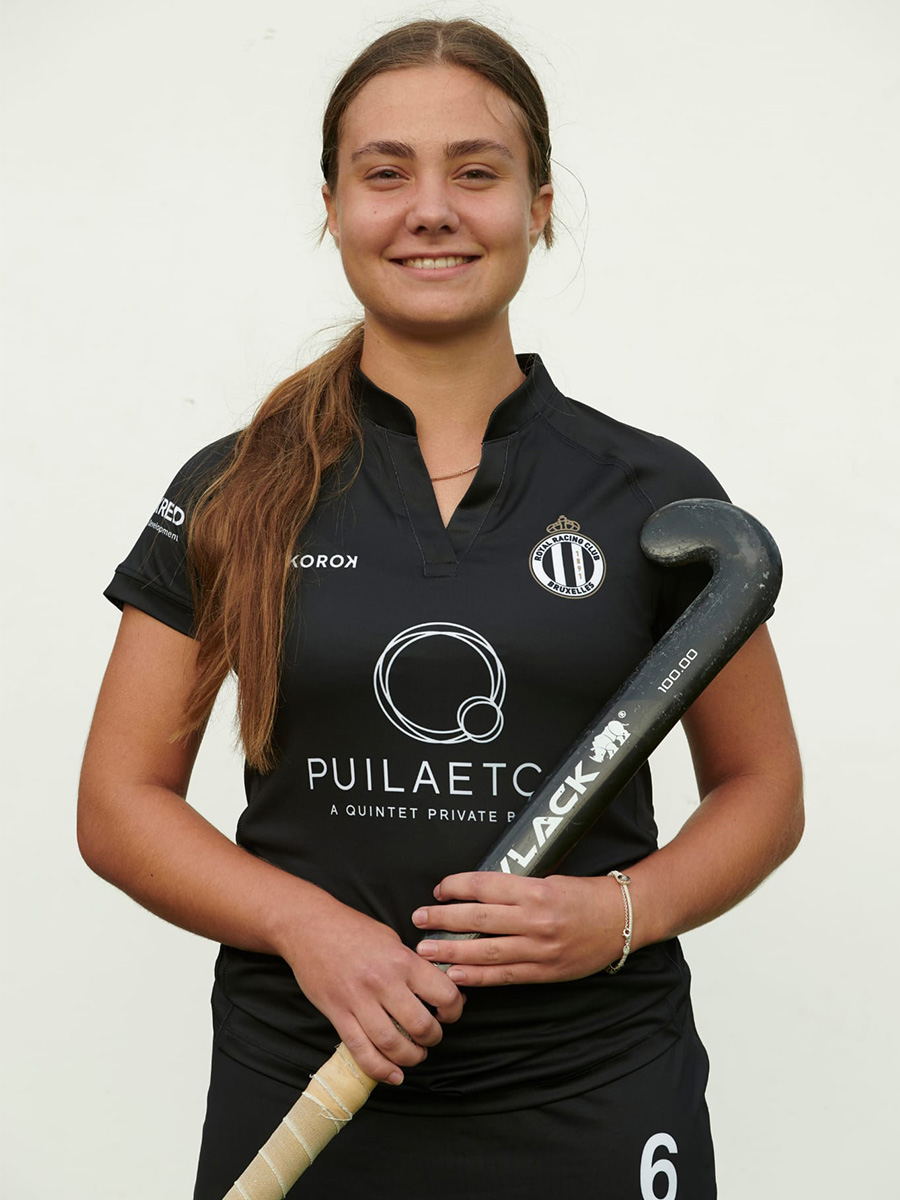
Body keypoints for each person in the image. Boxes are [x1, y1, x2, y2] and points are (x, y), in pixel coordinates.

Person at [78, 18, 803, 1199]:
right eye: (385, 173)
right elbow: (118, 804)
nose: (430, 210)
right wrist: (308, 927)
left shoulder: (653, 496)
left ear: (540, 206)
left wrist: (622, 913)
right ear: (332, 206)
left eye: (475, 172)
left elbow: (762, 787)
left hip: (593, 1088)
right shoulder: (232, 489)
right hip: (309, 1086)